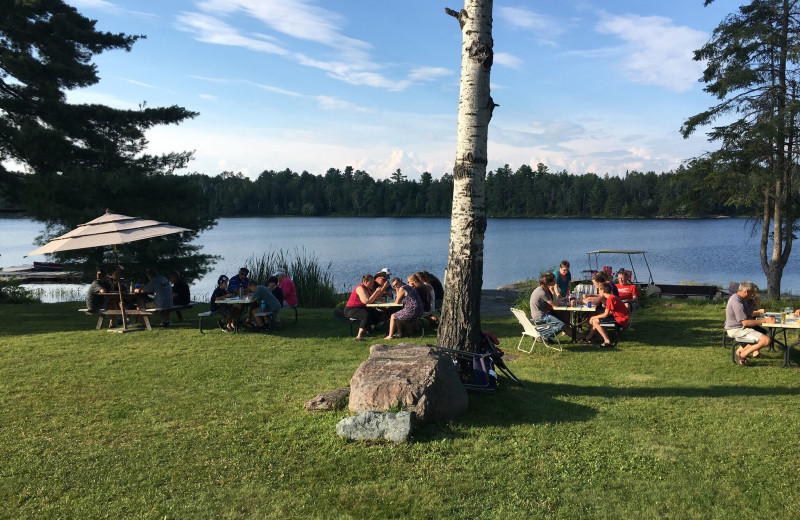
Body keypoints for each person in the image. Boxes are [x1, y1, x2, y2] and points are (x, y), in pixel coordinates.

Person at [726, 281, 774, 365]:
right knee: (766, 340)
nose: (754, 296)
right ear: (747, 291)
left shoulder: (741, 298)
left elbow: (748, 313)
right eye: (753, 293)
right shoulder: (737, 302)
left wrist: (754, 304)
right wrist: (765, 320)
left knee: (761, 333)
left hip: (740, 327)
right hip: (736, 329)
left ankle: (741, 353)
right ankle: (742, 355)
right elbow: (745, 322)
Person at [529, 272, 575, 339]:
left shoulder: (542, 289)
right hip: (541, 316)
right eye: (554, 281)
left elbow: (554, 302)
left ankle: (543, 336)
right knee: (561, 324)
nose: (555, 282)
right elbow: (555, 305)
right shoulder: (542, 292)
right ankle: (543, 336)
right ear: (549, 283)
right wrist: (553, 291)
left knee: (561, 322)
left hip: (540, 314)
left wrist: (565, 304)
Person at [583, 282, 630, 348]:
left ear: (603, 290)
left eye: (599, 290)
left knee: (595, 321)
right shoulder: (612, 297)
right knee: (596, 318)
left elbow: (605, 314)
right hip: (619, 316)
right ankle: (591, 337)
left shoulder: (610, 299)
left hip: (620, 319)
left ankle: (607, 341)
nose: (599, 292)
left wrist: (593, 317)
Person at [345, 274, 389, 341]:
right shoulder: (360, 288)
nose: (373, 284)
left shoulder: (368, 288)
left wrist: (379, 298)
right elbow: (366, 301)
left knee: (377, 313)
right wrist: (376, 293)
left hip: (362, 307)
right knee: (366, 315)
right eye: (371, 282)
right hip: (352, 309)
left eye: (373, 282)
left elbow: (372, 298)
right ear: (365, 282)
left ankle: (373, 329)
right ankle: (359, 336)